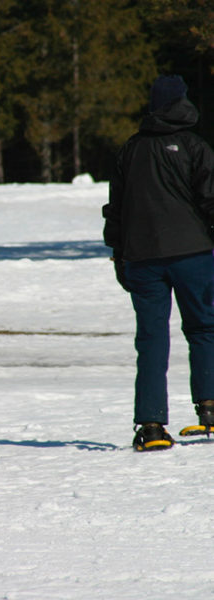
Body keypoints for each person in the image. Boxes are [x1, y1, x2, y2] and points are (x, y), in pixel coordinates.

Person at [103, 74, 214, 451]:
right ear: (182, 102)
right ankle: (210, 408)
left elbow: (115, 208)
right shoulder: (195, 146)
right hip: (193, 255)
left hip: (142, 257)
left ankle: (151, 425)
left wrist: (117, 252)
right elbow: (210, 202)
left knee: (151, 339)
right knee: (203, 329)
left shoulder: (130, 149)